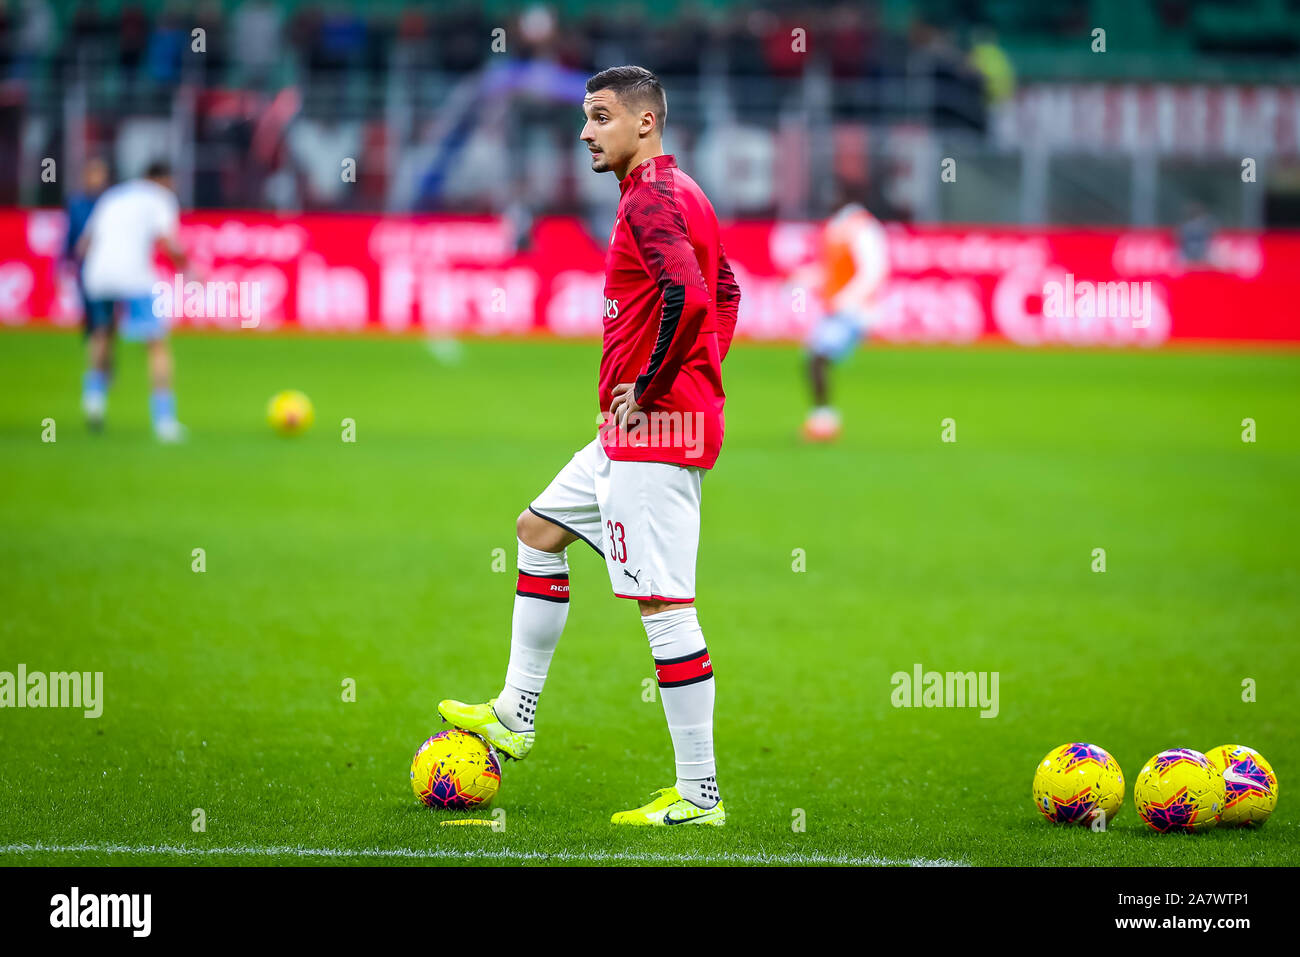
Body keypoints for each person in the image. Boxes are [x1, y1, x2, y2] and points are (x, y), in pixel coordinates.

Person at [438, 65, 741, 826]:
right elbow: (729, 292)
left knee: (666, 609)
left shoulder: (654, 202)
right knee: (537, 530)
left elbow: (696, 296)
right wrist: (694, 372)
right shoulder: (683, 193)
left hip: (655, 433)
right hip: (630, 432)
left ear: (645, 123)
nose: (585, 132)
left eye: (600, 117)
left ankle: (700, 795)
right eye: (585, 116)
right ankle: (515, 712)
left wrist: (656, 384)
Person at [77, 160, 190, 441]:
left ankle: (94, 399)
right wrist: (189, 270)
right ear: (162, 180)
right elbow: (167, 241)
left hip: (96, 273)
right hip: (134, 275)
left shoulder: (112, 196)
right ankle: (164, 422)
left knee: (102, 334)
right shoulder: (161, 198)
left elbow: (84, 244)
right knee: (156, 344)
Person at [802, 193, 889, 442]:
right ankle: (823, 419)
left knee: (817, 358)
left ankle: (824, 421)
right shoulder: (840, 226)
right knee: (816, 358)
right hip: (841, 309)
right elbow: (832, 271)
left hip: (853, 311)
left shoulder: (862, 227)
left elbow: (874, 270)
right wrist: (805, 279)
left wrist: (846, 300)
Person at [63, 157, 109, 382]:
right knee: (94, 324)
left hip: (110, 270)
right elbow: (70, 238)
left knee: (105, 324)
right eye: (92, 173)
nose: (95, 179)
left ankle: (100, 369)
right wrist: (63, 264)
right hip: (86, 272)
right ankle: (99, 371)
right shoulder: (76, 204)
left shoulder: (110, 203)